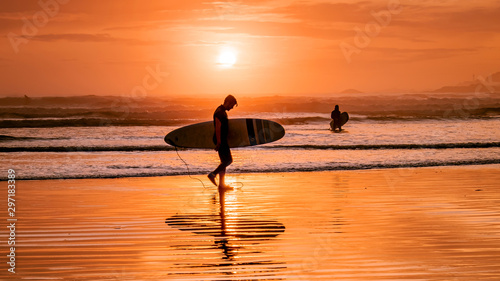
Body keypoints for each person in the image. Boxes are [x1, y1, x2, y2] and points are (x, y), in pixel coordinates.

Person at [208, 95, 238, 190]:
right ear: (228, 102)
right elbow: (217, 128)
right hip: (221, 140)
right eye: (232, 105)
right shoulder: (219, 112)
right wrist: (219, 142)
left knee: (223, 162)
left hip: (222, 140)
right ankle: (213, 174)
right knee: (228, 161)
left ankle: (221, 185)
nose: (232, 107)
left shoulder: (222, 111)